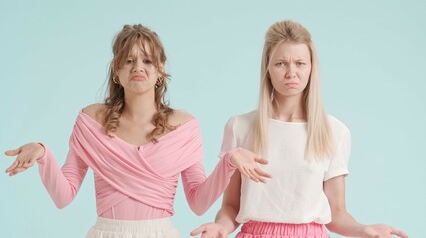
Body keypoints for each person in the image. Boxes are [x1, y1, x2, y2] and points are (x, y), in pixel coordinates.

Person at [4, 24, 270, 238]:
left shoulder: (183, 126)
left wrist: (229, 161)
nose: (138, 67)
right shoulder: (90, 121)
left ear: (160, 70)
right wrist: (42, 153)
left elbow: (198, 203)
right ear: (116, 72)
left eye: (147, 60)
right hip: (106, 233)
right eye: (128, 60)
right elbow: (64, 196)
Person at [190, 20, 408, 238]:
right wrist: (220, 227)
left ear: (312, 67)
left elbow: (337, 213)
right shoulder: (239, 127)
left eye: (300, 63)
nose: (291, 72)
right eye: (281, 63)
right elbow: (231, 206)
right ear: (267, 68)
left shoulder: (335, 132)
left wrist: (364, 230)